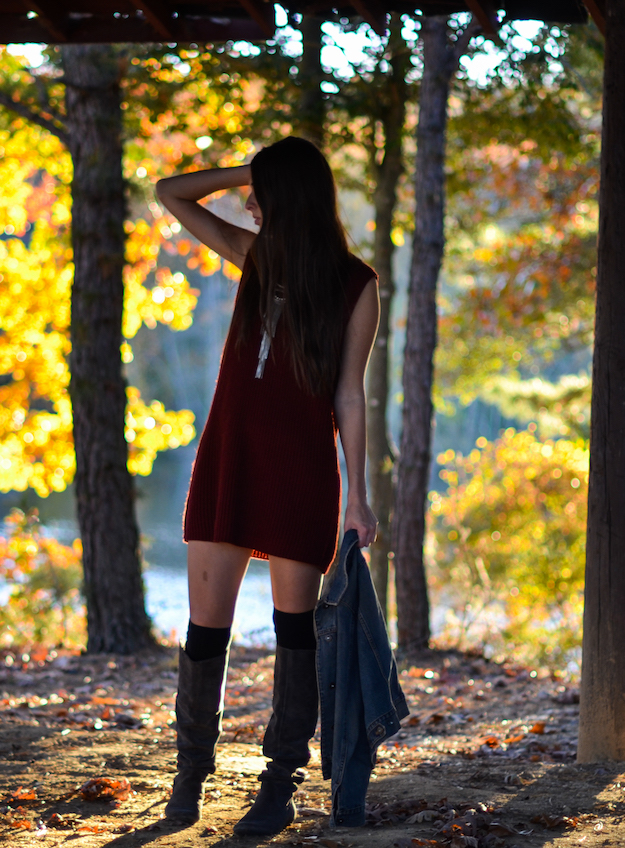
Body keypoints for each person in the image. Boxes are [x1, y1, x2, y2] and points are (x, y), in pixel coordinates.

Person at [154, 136, 380, 836]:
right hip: (231, 457)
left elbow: (349, 395)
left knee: (294, 636)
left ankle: (279, 783)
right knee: (204, 632)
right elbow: (171, 192)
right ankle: (191, 773)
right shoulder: (255, 256)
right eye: (249, 188)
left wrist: (357, 494)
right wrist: (251, 169)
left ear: (290, 196)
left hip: (301, 468)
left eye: (259, 190)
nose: (248, 200)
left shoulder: (356, 284)